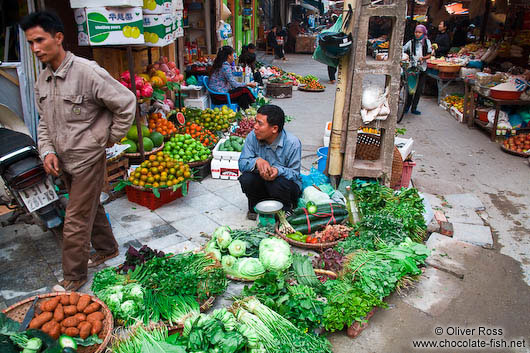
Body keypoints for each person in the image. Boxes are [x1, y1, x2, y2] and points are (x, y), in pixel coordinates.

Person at [20, 11, 136, 291]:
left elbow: (126, 102)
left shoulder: (87, 71)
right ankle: (108, 249)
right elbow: (44, 122)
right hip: (63, 160)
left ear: (58, 38)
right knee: (89, 206)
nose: (35, 49)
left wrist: (109, 138)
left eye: (39, 40)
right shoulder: (43, 81)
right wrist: (46, 150)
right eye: (30, 43)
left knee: (74, 218)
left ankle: (74, 276)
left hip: (87, 158)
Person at [239, 105, 301, 220]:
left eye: (260, 123)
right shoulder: (252, 136)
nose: (255, 127)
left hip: (283, 186)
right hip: (262, 183)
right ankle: (255, 206)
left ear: (274, 129)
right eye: (255, 122)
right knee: (246, 178)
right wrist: (256, 161)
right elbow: (242, 163)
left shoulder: (292, 143)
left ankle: (286, 209)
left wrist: (278, 171)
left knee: (278, 183)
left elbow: (295, 174)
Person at [402, 24, 432, 115]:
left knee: (418, 90)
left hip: (422, 68)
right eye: (416, 32)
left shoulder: (427, 42)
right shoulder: (411, 42)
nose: (417, 34)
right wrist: (405, 57)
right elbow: (403, 49)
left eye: (419, 32)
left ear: (423, 33)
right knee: (411, 89)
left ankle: (414, 108)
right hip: (412, 68)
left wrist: (423, 58)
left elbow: (430, 54)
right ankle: (407, 106)